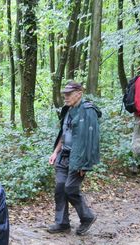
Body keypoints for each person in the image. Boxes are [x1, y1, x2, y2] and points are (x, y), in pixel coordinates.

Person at [47, 81, 100, 236]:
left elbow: (92, 139)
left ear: (79, 93)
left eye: (69, 94)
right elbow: (64, 134)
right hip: (64, 154)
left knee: (70, 188)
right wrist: (55, 152)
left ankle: (87, 217)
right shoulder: (68, 110)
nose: (66, 97)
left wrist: (86, 164)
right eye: (65, 94)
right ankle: (62, 223)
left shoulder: (88, 111)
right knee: (60, 188)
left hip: (79, 158)